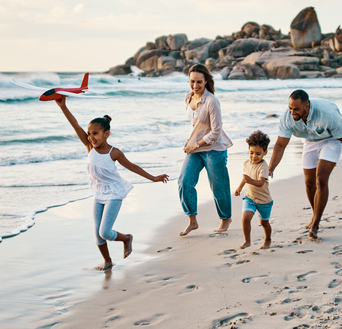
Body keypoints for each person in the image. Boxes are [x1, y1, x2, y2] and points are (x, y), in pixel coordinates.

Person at [55, 95, 169, 271]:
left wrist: (153, 177)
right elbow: (75, 125)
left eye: (95, 134)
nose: (91, 137)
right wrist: (63, 106)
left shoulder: (114, 153)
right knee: (97, 235)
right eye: (89, 134)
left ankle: (127, 238)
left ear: (106, 134)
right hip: (98, 193)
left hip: (114, 194)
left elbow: (133, 167)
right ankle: (107, 261)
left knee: (105, 232)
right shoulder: (89, 146)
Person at [268, 90, 342, 240]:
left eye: (296, 109)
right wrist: (271, 168)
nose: (292, 112)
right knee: (309, 183)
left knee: (321, 179)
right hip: (309, 142)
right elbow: (280, 145)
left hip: (331, 140)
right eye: (290, 108)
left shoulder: (327, 115)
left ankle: (316, 225)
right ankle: (315, 214)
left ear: (307, 105)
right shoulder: (287, 117)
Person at [179, 64, 233, 236]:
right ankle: (192, 221)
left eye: (199, 82)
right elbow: (196, 124)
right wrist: (191, 143)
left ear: (206, 81)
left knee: (218, 186)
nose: (195, 86)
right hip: (196, 148)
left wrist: (195, 145)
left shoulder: (212, 101)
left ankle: (225, 219)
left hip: (214, 149)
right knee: (184, 182)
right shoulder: (188, 97)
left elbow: (216, 132)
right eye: (192, 81)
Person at [234, 130, 273, 250]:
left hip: (264, 200)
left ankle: (267, 239)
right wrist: (239, 188)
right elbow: (245, 178)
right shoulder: (246, 163)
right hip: (250, 197)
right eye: (251, 153)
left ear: (265, 153)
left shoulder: (264, 166)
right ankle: (247, 241)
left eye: (258, 153)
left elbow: (261, 183)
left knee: (264, 223)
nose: (254, 156)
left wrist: (250, 181)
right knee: (245, 217)